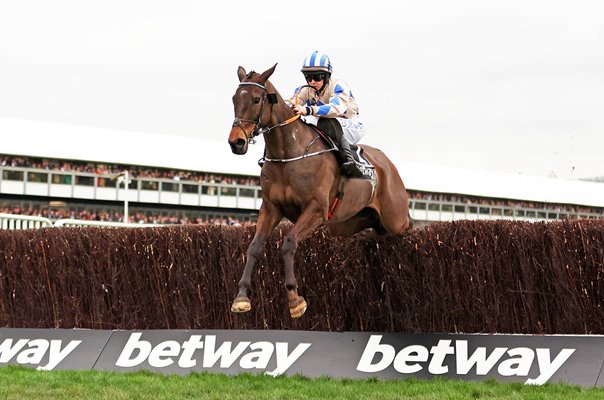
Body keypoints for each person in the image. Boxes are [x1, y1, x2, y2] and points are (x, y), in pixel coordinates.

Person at [291, 51, 365, 178]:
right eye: (308, 77)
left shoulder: (338, 85)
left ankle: (349, 160)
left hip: (351, 124)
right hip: (327, 124)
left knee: (325, 122)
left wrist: (308, 110)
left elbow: (335, 109)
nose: (312, 81)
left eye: (317, 77)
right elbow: (291, 104)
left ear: (326, 76)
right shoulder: (304, 90)